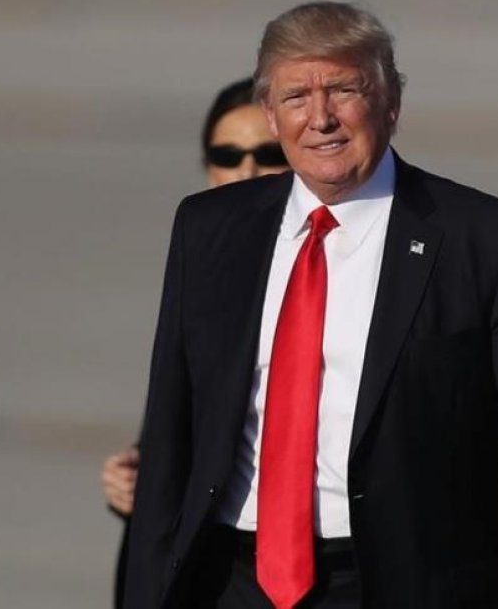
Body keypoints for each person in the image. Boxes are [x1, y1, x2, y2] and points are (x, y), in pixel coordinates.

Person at [125, 1, 498, 609]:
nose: (320, 118)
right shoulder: (209, 228)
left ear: (390, 102)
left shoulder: (485, 242)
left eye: (343, 90)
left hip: (404, 583)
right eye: (295, 98)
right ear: (268, 114)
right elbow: (171, 441)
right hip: (231, 580)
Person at [101, 76, 288, 607]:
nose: (246, 170)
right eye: (227, 154)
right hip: (224, 569)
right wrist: (140, 474)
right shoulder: (203, 264)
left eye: (267, 153)